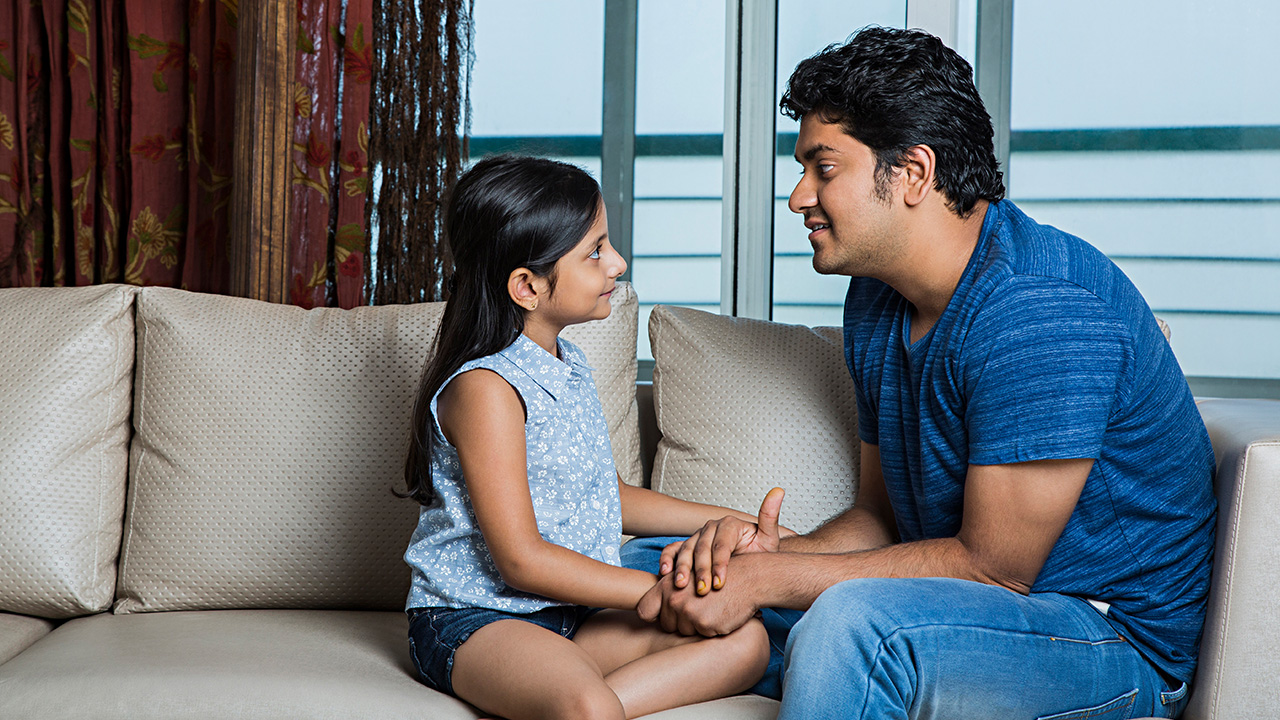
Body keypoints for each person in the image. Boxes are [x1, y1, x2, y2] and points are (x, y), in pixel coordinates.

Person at [634, 26, 1216, 720]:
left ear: (912, 172)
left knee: (853, 629)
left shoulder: (1037, 307)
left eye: (823, 168)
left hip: (1104, 636)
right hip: (950, 608)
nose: (797, 199)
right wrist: (760, 560)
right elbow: (880, 517)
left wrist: (776, 575)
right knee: (659, 567)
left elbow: (995, 569)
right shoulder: (878, 299)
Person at [400, 154, 774, 720]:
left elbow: (607, 494)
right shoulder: (486, 390)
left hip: (572, 615)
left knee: (746, 642)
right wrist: (655, 590)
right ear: (527, 286)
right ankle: (581, 709)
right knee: (586, 704)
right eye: (596, 251)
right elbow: (521, 563)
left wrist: (729, 519)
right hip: (481, 619)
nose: (617, 264)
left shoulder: (568, 365)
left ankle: (578, 711)